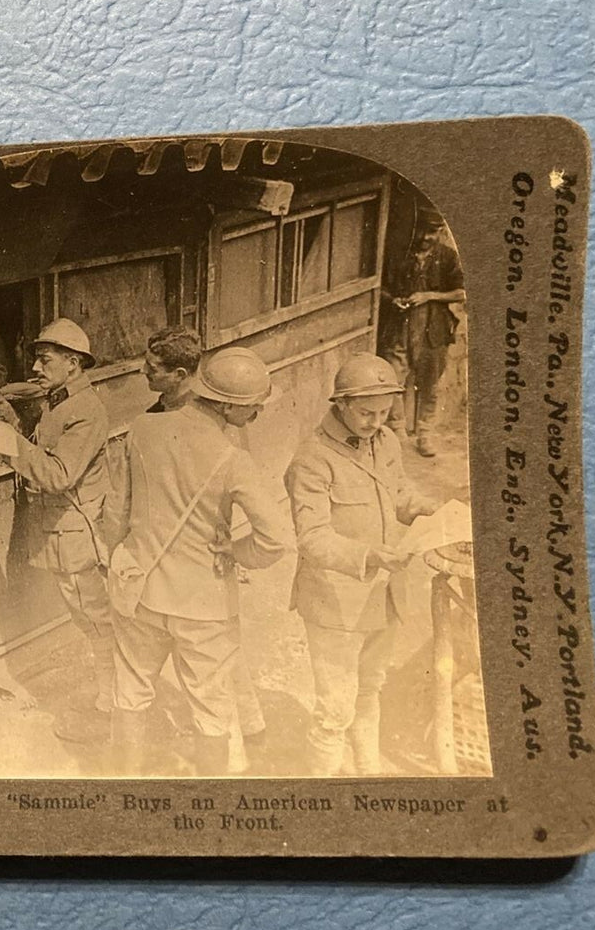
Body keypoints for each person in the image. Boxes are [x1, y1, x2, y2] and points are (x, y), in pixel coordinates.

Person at [107, 347, 293, 776]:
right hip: (204, 602)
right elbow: (277, 539)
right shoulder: (234, 460)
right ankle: (208, 801)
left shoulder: (142, 428)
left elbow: (116, 512)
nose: (258, 413)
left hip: (141, 590)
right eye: (253, 406)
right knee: (210, 706)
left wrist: (124, 557)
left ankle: (122, 787)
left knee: (130, 692)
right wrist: (237, 553)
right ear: (227, 404)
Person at [284, 354, 439, 776]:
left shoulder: (385, 441)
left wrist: (430, 511)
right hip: (336, 603)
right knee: (335, 706)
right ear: (342, 405)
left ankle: (367, 773)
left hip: (382, 596)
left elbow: (399, 493)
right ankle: (324, 787)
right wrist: (368, 555)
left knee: (371, 688)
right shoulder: (312, 460)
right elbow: (312, 537)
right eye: (367, 413)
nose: (376, 421)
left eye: (385, 412)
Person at [0, 318, 117, 743]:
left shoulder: (85, 411)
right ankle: (113, 703)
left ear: (73, 363)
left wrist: (1, 435)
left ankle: (109, 714)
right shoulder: (59, 404)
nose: (36, 368)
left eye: (45, 359)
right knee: (93, 622)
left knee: (99, 625)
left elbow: (58, 474)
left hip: (75, 539)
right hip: (61, 536)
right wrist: (10, 421)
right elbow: (43, 453)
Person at [141, 325, 265, 771]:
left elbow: (236, 491)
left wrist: (236, 546)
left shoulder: (215, 417)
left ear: (183, 375)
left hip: (202, 563)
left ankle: (243, 745)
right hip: (188, 565)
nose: (144, 374)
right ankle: (246, 741)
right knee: (216, 663)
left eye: (154, 368)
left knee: (219, 663)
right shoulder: (163, 412)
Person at [379, 206, 466, 457]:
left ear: (439, 232)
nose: (425, 238)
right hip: (400, 328)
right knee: (391, 381)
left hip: (433, 331)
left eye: (432, 233)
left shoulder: (447, 256)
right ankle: (397, 432)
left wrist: (429, 296)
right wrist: (393, 300)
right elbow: (381, 287)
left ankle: (425, 434)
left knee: (430, 385)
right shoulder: (399, 255)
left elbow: (462, 292)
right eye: (421, 232)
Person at [142, 325, 201, 414]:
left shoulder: (198, 417)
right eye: (146, 364)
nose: (143, 370)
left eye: (153, 369)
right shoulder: (156, 410)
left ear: (180, 375)